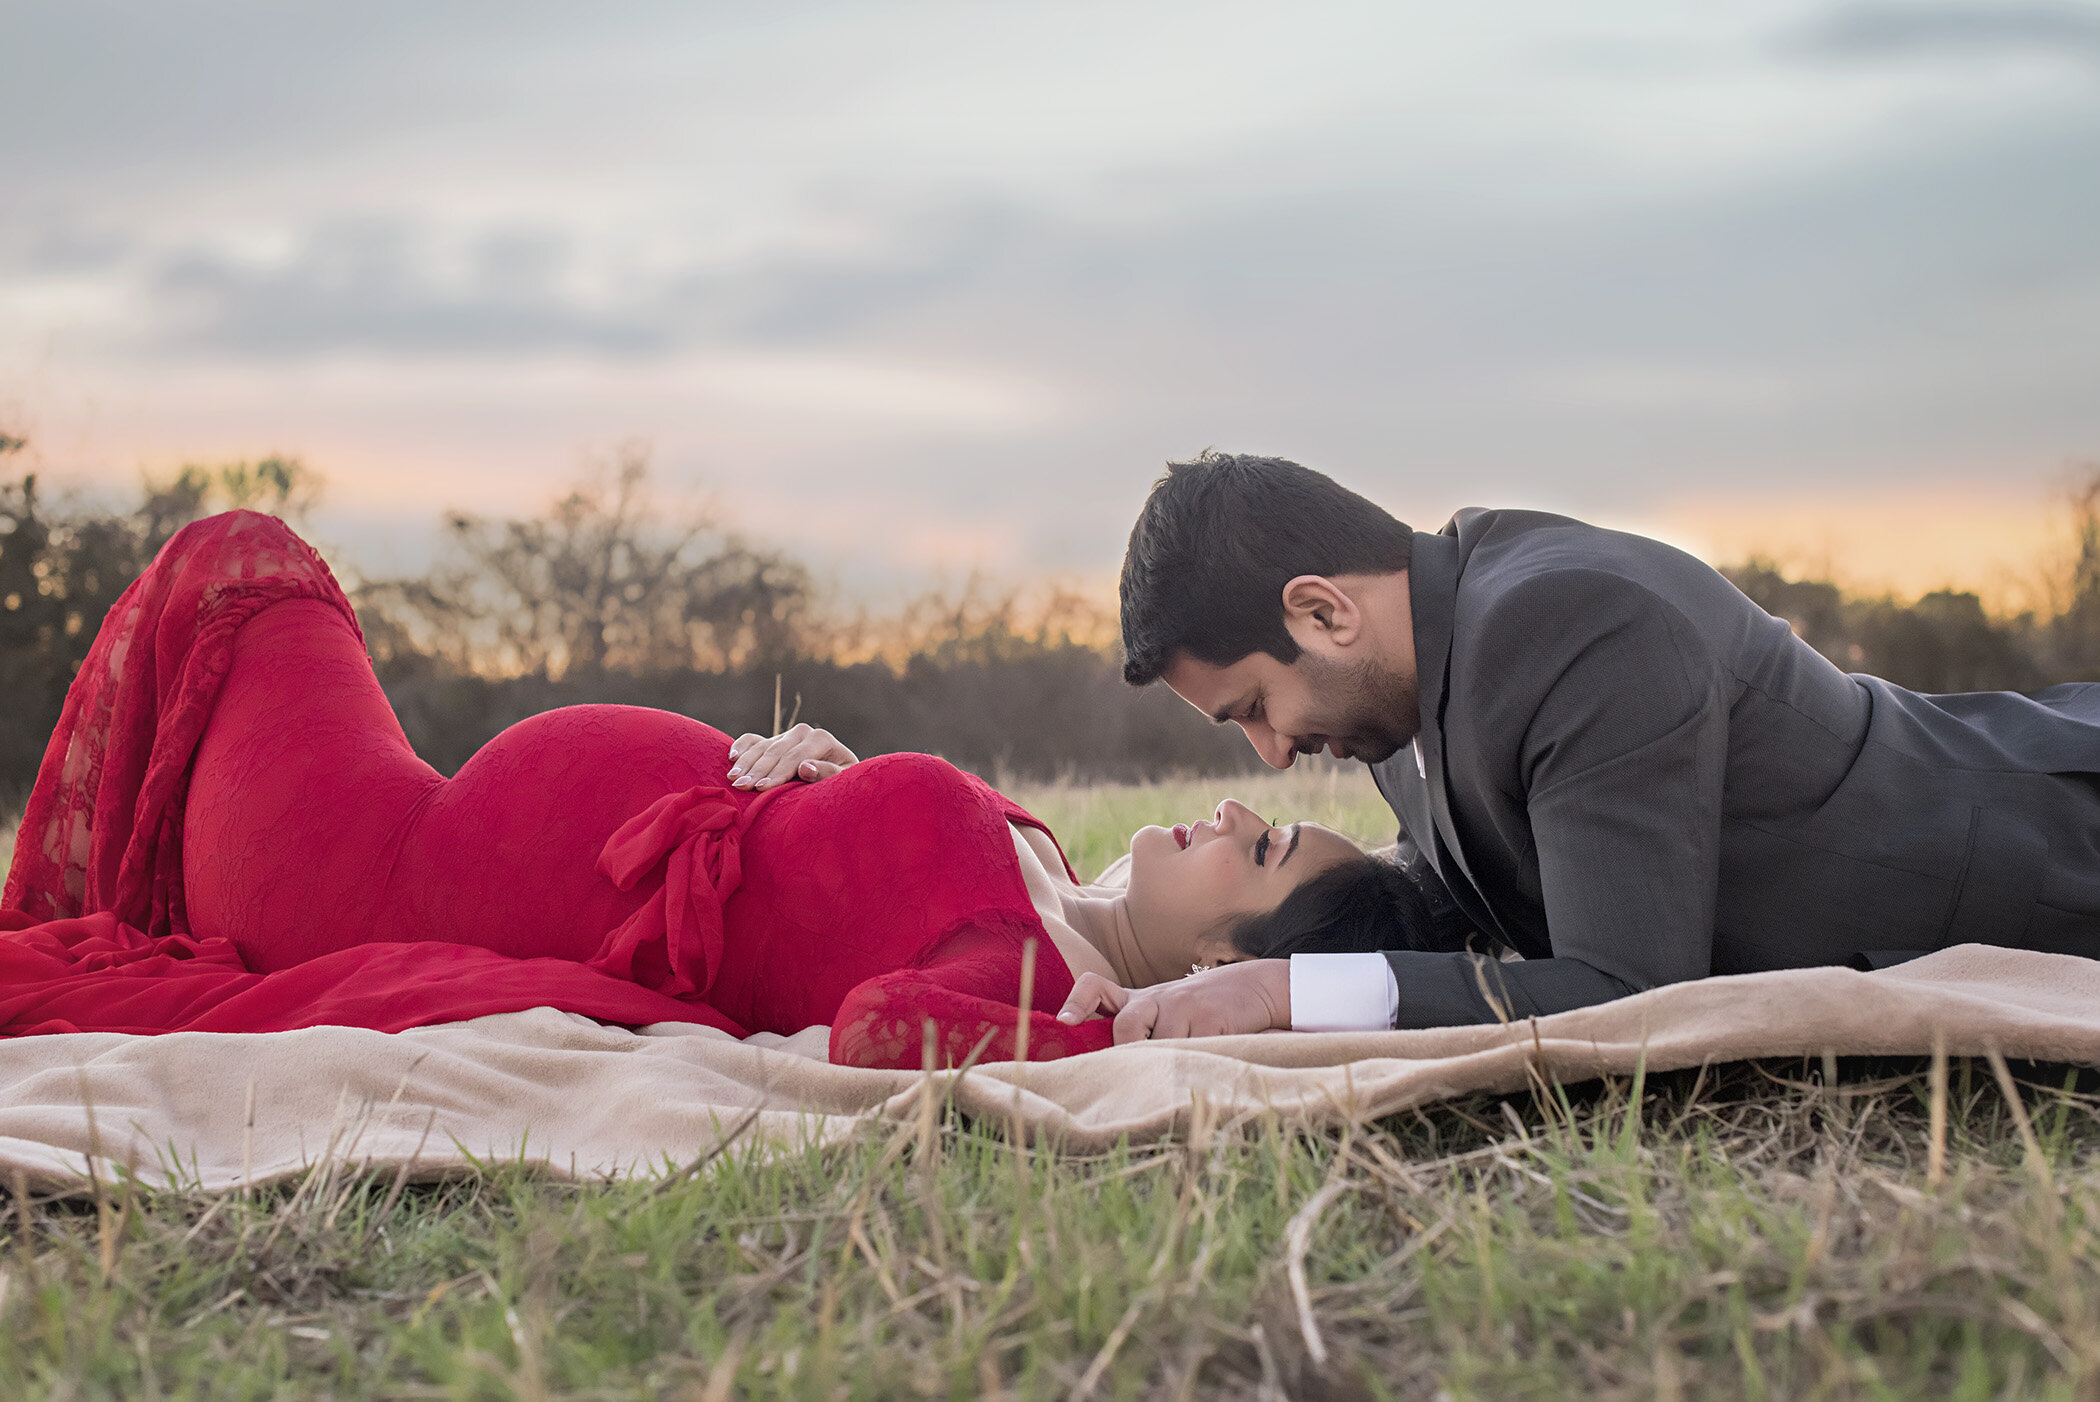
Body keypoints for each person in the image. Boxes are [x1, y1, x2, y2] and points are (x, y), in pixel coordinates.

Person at [0, 510, 1371, 1068]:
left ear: (1215, 966)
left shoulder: (1025, 978)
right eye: (1277, 816)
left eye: (1262, 859)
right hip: (435, 810)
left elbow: (885, 1028)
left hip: (373, 869)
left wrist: (1123, 1041)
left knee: (241, 562)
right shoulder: (1056, 883)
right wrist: (825, 778)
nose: (1244, 810)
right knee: (241, 568)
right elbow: (842, 887)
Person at [1059, 452, 2100, 1040]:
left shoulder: (1574, 625)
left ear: (1323, 612)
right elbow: (1478, 872)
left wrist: (1275, 991)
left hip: (2054, 846)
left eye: (1252, 705)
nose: (1272, 755)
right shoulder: (1388, 690)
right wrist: (1176, 985)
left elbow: (1631, 990)